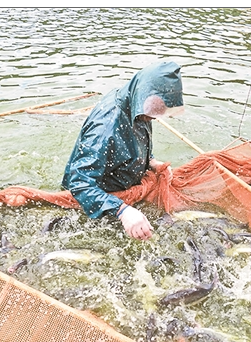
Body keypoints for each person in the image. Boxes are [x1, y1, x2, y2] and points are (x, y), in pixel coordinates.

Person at [62, 61, 184, 241]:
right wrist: (122, 210)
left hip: (125, 189)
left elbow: (130, 144)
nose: (154, 117)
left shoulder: (135, 103)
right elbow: (79, 184)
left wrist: (151, 162)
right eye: (154, 110)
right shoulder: (106, 126)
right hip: (97, 203)